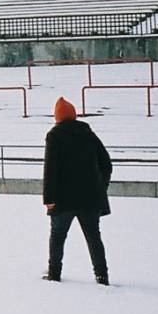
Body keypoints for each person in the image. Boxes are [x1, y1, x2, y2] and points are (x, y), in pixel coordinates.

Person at [42, 95, 112, 285]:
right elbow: (106, 163)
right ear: (73, 115)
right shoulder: (88, 133)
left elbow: (50, 170)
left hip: (63, 200)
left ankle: (54, 274)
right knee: (93, 237)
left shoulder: (54, 136)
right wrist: (100, 187)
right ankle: (101, 276)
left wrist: (49, 199)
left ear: (57, 117)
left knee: (57, 237)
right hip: (90, 199)